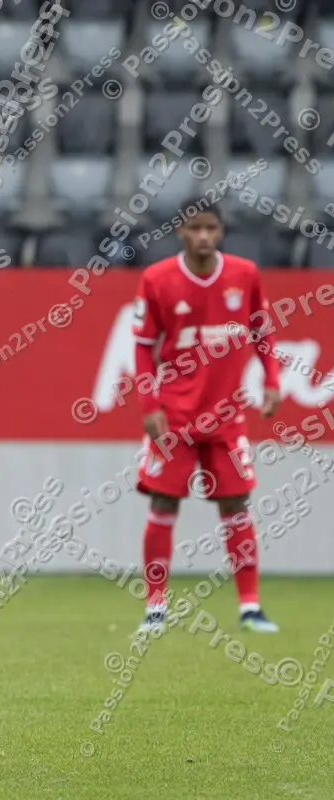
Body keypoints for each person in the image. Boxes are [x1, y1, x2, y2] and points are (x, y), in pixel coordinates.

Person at [131, 199, 280, 635]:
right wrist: (149, 405)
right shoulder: (157, 279)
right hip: (173, 417)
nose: (202, 236)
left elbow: (262, 331)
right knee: (163, 502)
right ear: (180, 231)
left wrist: (271, 379)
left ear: (221, 231)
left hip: (228, 415)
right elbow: (143, 345)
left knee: (236, 504)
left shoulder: (244, 274)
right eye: (194, 228)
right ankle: (155, 607)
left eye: (210, 228)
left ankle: (250, 607)